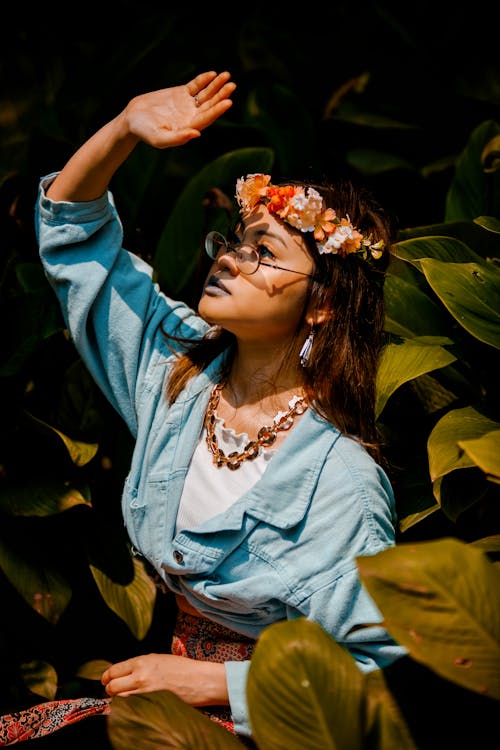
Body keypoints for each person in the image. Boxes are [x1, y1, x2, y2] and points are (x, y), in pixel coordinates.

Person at [2, 70, 408, 746]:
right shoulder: (179, 371)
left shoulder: (342, 485)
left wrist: (217, 684)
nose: (232, 259)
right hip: (157, 696)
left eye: (265, 252)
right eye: (236, 241)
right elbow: (74, 236)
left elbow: (379, 674)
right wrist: (126, 125)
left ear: (322, 303)